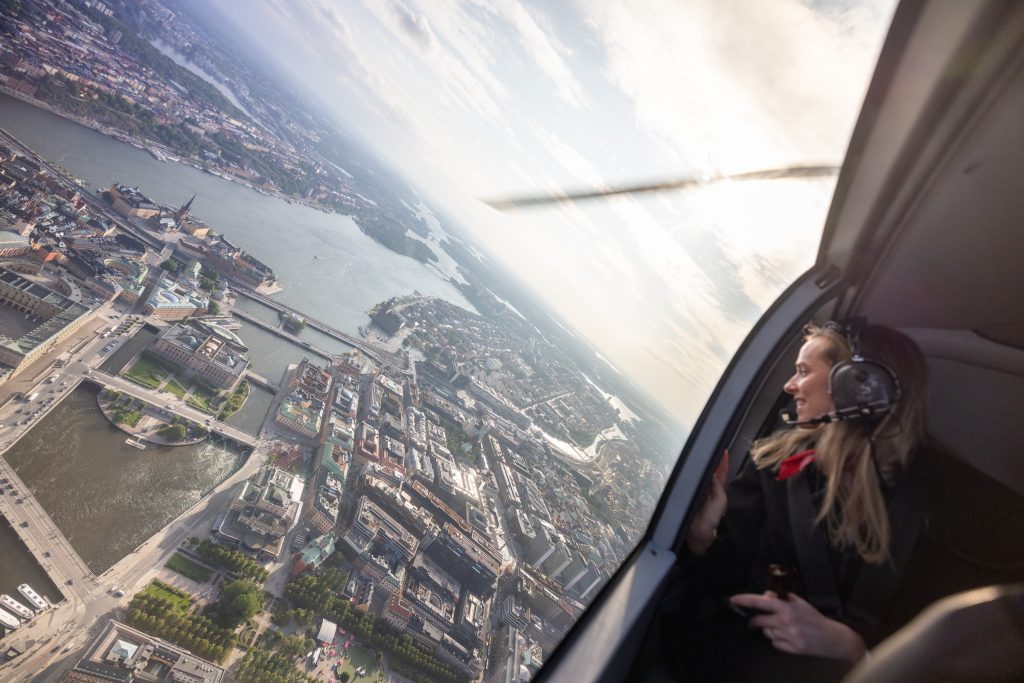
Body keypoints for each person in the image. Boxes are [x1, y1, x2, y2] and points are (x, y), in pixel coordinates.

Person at [670, 322, 1024, 682]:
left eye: (804, 371)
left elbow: (988, 640)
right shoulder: (776, 467)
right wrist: (703, 540)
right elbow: (732, 586)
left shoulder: (964, 505)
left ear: (861, 387)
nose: (789, 386)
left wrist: (857, 649)